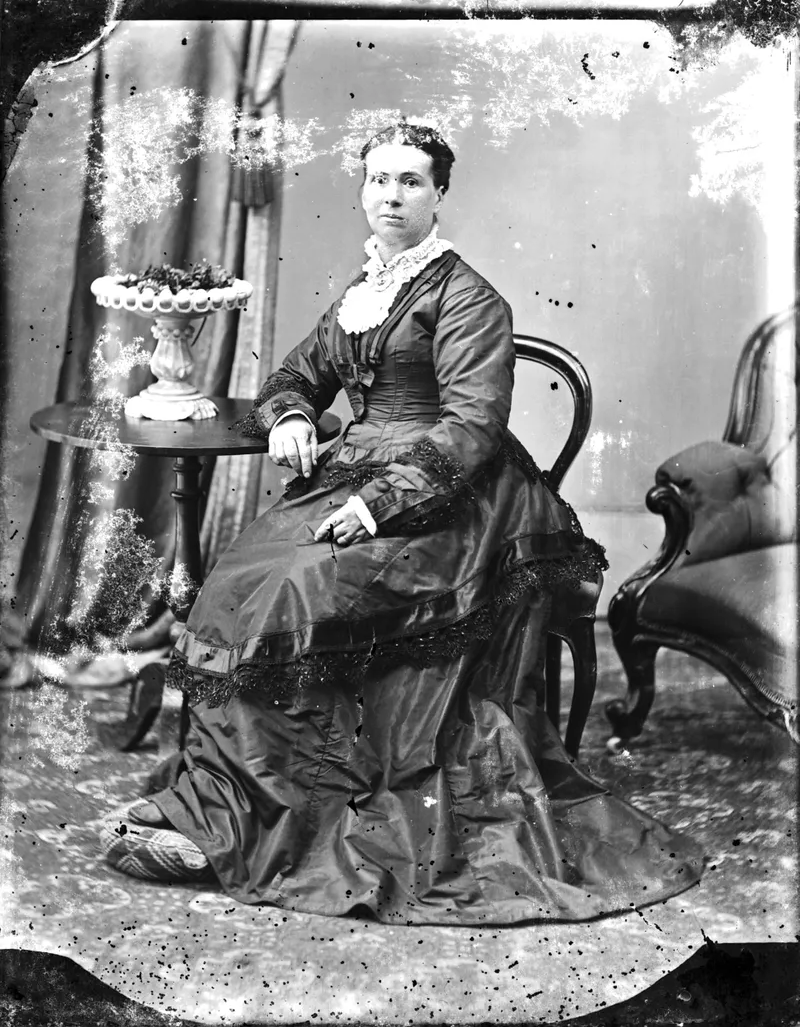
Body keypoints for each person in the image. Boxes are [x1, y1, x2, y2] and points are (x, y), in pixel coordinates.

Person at [103, 121, 704, 924]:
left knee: (296, 591)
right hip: (357, 469)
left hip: (455, 497)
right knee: (237, 582)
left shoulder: (469, 298)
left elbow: (473, 426)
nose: (391, 195)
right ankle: (219, 804)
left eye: (411, 181)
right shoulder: (364, 292)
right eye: (379, 179)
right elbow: (295, 375)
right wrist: (291, 415)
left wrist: (378, 504)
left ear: (440, 193)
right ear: (363, 188)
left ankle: (249, 824)